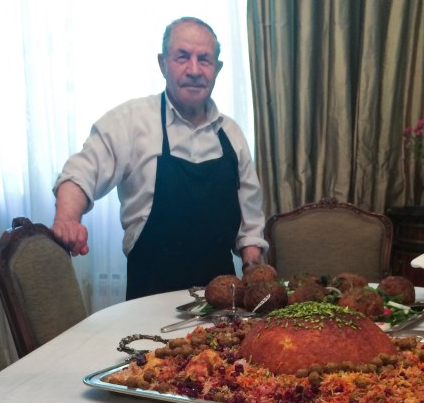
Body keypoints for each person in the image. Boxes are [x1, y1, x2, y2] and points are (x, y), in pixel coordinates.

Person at [52, 16, 267, 299]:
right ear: (162, 63)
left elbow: (250, 225)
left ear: (217, 69)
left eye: (204, 59)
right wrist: (68, 219)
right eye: (182, 57)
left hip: (221, 306)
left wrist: (254, 271)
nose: (194, 69)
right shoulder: (131, 121)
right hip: (148, 300)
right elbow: (81, 172)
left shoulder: (232, 135)